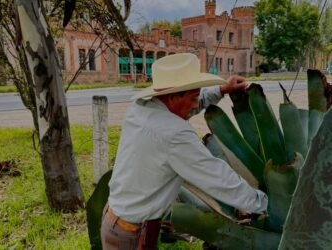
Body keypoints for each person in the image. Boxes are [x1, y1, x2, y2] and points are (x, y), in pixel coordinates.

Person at [101, 53, 268, 250]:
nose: (194, 105)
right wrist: (265, 204)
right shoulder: (174, 133)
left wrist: (221, 90)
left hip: (114, 219)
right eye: (192, 98)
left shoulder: (142, 107)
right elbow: (218, 178)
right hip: (131, 236)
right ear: (173, 96)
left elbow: (182, 107)